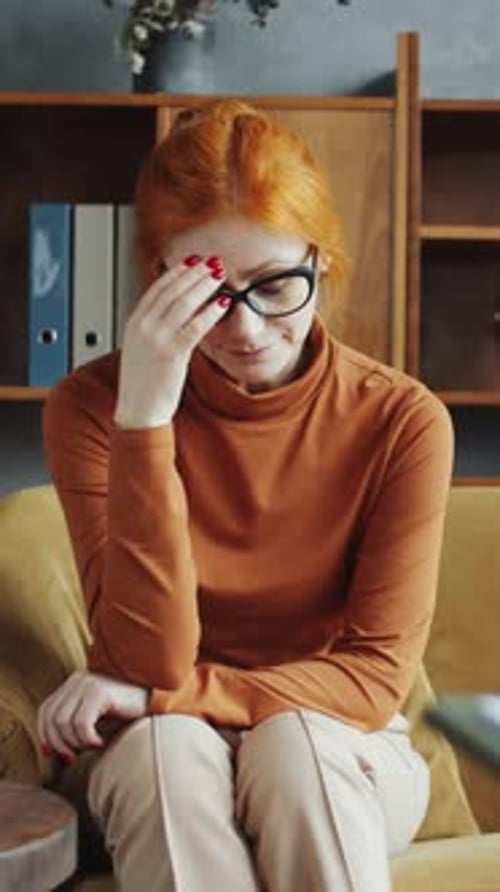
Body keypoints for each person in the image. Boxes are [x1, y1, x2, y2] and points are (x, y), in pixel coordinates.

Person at [37, 98, 453, 892]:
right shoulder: (95, 408)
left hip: (338, 743)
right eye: (210, 293)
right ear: (159, 278)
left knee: (294, 743)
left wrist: (169, 694)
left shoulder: (402, 420)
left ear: (320, 262)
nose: (249, 328)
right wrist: (147, 417)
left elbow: (369, 679)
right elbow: (149, 652)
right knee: (170, 750)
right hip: (153, 742)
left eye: (277, 284)